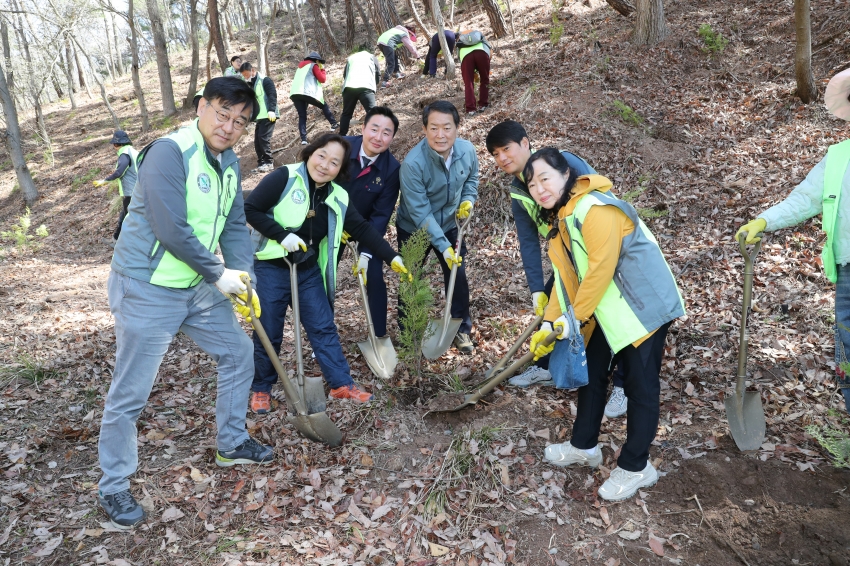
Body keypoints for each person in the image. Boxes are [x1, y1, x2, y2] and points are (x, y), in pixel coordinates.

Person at [98, 77, 272, 530]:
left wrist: (242, 274)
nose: (230, 126)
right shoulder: (168, 152)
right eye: (222, 113)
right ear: (201, 107)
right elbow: (170, 227)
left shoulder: (229, 161)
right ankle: (114, 485)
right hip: (146, 287)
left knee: (237, 352)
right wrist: (220, 274)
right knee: (131, 393)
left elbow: (235, 222)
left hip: (195, 284)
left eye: (240, 121)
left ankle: (231, 444)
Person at [525, 148, 684, 501]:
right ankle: (584, 446)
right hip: (605, 311)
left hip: (643, 308)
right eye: (532, 184)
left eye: (545, 178)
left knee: (641, 389)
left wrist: (573, 319)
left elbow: (601, 269)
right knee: (593, 374)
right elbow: (565, 282)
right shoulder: (560, 222)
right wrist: (548, 325)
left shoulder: (595, 208)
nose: (539, 188)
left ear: (566, 175)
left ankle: (636, 467)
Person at [244, 133, 410, 414]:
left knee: (323, 327)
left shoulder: (338, 196)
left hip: (307, 270)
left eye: (334, 162)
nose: (325, 165)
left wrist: (392, 256)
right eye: (321, 155)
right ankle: (261, 387)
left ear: (341, 169)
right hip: (273, 266)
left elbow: (363, 229)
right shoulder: (284, 177)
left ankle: (340, 384)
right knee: (269, 331)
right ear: (310, 153)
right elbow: (251, 208)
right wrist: (281, 235)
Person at [737, 67, 850, 413]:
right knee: (846, 360)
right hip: (848, 276)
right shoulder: (837, 158)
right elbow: (804, 200)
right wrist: (764, 220)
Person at [485, 120, 594, 387]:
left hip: (595, 249)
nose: (502, 158)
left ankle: (622, 384)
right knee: (550, 309)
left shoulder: (560, 163)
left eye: (506, 149)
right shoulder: (518, 191)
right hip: (567, 257)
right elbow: (528, 240)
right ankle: (544, 366)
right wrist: (536, 289)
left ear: (525, 143)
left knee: (603, 314)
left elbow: (598, 198)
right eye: (495, 154)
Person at [397, 100, 478, 354]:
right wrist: (443, 246)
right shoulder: (413, 164)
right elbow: (420, 212)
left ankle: (461, 329)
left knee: (457, 276)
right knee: (411, 278)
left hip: (451, 224)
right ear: (424, 129)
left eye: (447, 127)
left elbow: (472, 180)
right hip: (415, 228)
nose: (440, 135)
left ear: (457, 128)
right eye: (433, 128)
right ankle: (409, 331)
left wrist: (467, 200)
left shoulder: (467, 150)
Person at [338, 107, 401, 339]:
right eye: (374, 129)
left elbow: (381, 214)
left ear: (392, 137)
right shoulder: (341, 147)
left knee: (373, 275)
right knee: (323, 276)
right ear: (363, 128)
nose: (378, 137)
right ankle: (322, 332)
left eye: (386, 133)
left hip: (364, 229)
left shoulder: (391, 169)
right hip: (331, 224)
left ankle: (379, 335)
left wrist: (365, 253)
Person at [93, 130, 138, 243]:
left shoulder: (125, 154)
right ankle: (116, 239)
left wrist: (105, 180)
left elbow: (119, 172)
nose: (114, 146)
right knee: (124, 216)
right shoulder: (133, 151)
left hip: (130, 191)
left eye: (114, 144)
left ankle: (124, 243)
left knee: (128, 218)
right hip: (138, 189)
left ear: (117, 144)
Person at [290, 51, 339, 146]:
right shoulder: (314, 66)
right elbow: (322, 79)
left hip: (295, 93)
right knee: (324, 106)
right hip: (307, 92)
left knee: (302, 115)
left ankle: (303, 139)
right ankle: (334, 124)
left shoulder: (300, 67)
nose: (319, 63)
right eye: (319, 61)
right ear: (316, 60)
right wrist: (323, 69)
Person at [241, 61, 278, 172]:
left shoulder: (265, 80)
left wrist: (271, 110)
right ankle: (261, 163)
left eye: (247, 75)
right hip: (260, 117)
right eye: (244, 76)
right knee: (257, 141)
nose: (246, 77)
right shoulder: (252, 83)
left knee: (263, 138)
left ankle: (269, 162)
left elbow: (272, 95)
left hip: (268, 115)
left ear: (253, 70)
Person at [339, 48, 381, 136]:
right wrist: (374, 84)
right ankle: (374, 134)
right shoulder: (372, 57)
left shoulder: (351, 58)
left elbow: (345, 74)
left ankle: (342, 136)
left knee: (346, 113)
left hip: (349, 87)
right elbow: (377, 73)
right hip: (366, 86)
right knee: (372, 112)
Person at [456, 30, 491, 115]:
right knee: (485, 79)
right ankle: (483, 105)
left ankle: (471, 110)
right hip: (482, 53)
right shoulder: (479, 36)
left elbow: (459, 57)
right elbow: (489, 49)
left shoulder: (460, 40)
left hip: (465, 56)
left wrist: (473, 71)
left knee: (469, 83)